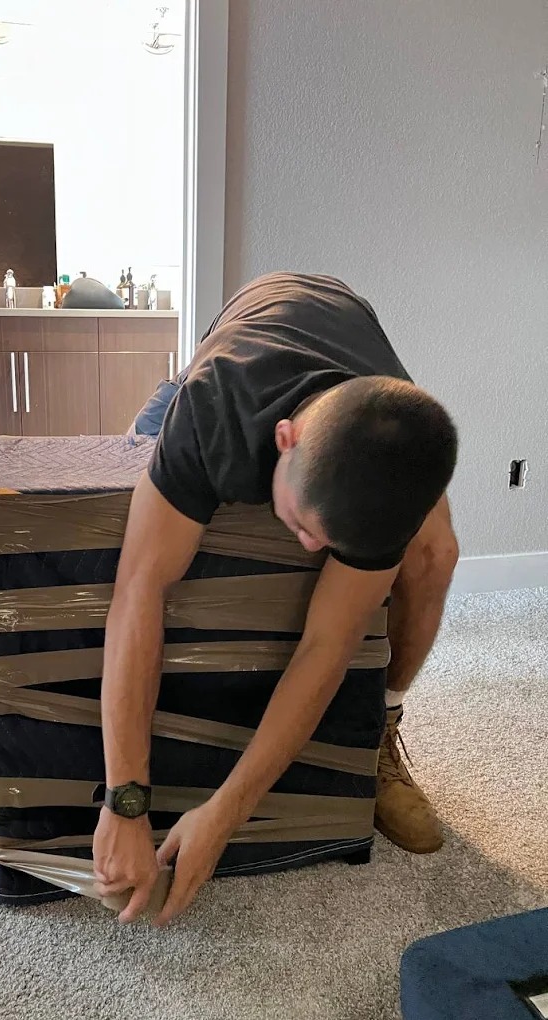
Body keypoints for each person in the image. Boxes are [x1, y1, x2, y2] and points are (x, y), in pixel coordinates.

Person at [92, 272, 459, 927]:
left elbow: (326, 647)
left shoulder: (384, 481)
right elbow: (136, 593)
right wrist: (125, 801)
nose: (309, 549)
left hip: (353, 348)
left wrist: (224, 814)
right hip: (239, 345)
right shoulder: (213, 412)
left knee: (436, 553)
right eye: (307, 529)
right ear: (283, 440)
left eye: (327, 544)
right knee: (114, 513)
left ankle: (384, 726)